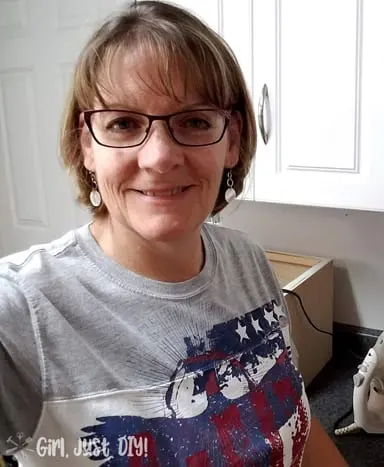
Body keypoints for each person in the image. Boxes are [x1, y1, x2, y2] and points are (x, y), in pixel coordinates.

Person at [0, 2, 347, 466]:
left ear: (232, 138)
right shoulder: (25, 312)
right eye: (123, 123)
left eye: (194, 121)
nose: (159, 157)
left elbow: (292, 420)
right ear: (87, 144)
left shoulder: (248, 261)